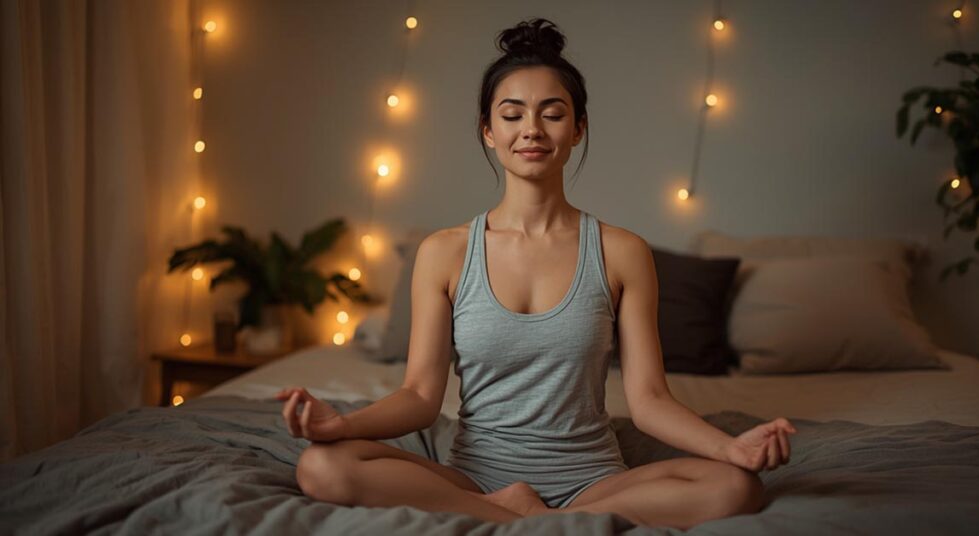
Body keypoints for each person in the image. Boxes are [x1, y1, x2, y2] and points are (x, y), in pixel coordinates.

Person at [277, 17, 796, 529]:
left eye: (552, 114)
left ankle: (536, 519)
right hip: (477, 479)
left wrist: (730, 448)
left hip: (593, 478)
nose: (531, 130)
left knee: (735, 486)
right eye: (512, 115)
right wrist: (342, 424)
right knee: (320, 465)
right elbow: (418, 397)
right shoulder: (443, 252)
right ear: (487, 130)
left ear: (578, 128)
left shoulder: (622, 252)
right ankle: (522, 516)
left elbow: (650, 401)